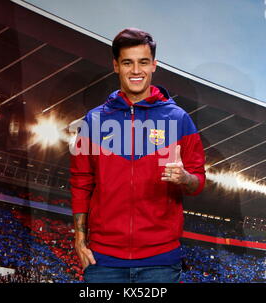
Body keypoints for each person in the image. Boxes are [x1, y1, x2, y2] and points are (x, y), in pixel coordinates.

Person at [70, 28, 206, 283]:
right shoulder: (94, 120)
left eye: (143, 62)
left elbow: (198, 181)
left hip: (161, 263)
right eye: (127, 62)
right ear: (115, 66)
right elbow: (81, 181)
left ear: (154, 65)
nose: (136, 70)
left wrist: (185, 177)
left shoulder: (178, 120)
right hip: (103, 261)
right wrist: (79, 238)